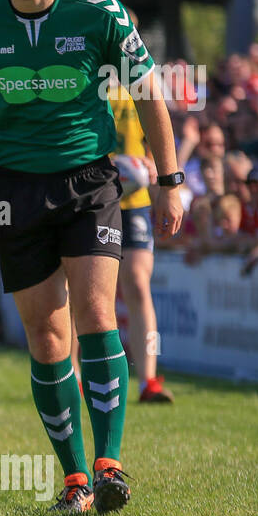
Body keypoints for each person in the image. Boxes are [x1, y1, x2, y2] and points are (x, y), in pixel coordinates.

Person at [0, 0, 183, 516]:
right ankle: (75, 479)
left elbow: (148, 89)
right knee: (47, 339)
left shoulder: (99, 12)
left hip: (90, 179)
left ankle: (110, 463)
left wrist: (169, 178)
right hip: (17, 188)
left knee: (97, 310)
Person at [108, 81, 173, 403]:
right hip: (90, 197)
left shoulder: (142, 87)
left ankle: (148, 381)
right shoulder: (81, 77)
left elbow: (158, 134)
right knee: (85, 289)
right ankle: (75, 375)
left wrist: (151, 164)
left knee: (136, 284)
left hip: (134, 200)